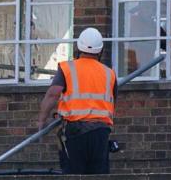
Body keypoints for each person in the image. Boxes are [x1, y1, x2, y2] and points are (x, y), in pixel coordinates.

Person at [37, 27, 117, 175]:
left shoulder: (68, 68)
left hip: (76, 132)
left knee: (74, 174)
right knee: (98, 175)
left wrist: (42, 120)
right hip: (100, 133)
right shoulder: (109, 73)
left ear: (79, 47)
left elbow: (53, 95)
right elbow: (112, 103)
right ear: (100, 51)